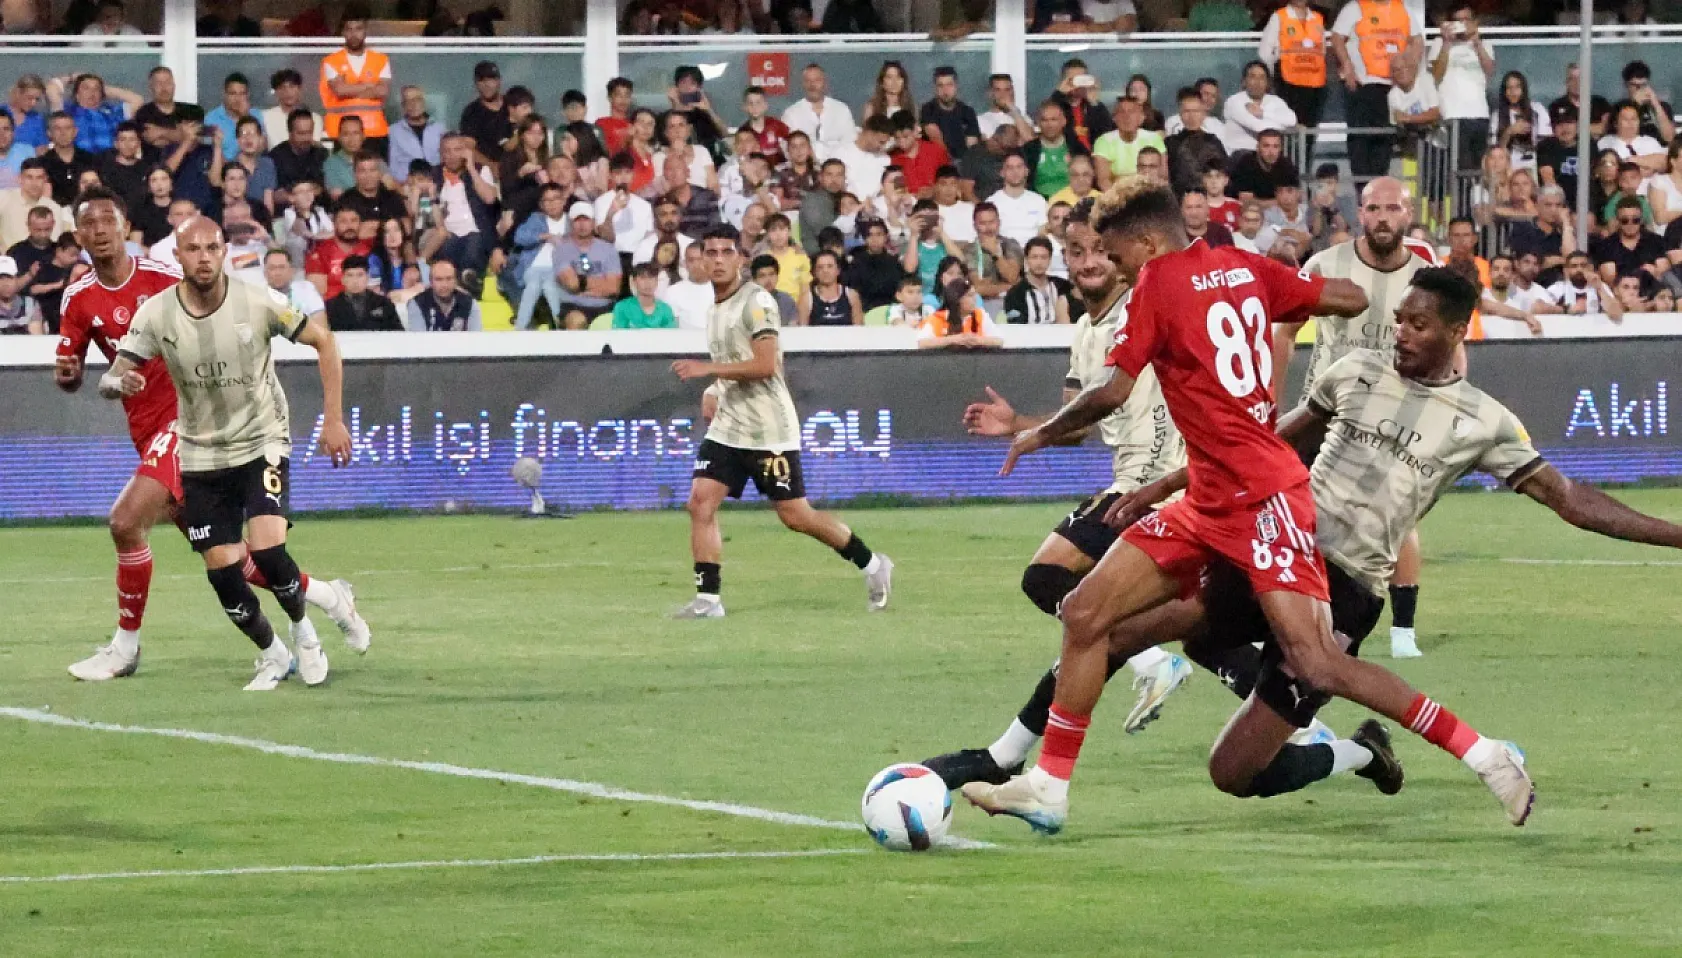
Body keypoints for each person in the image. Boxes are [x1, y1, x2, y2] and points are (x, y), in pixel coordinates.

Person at [964, 181, 1538, 832]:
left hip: (1265, 498)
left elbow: (1113, 391)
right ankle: (1048, 785)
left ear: (1149, 242)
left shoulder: (1158, 282)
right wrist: (1353, 306)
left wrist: (1036, 432)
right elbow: (1339, 295)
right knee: (1084, 611)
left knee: (1317, 660)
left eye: (1118, 254)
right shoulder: (1243, 266)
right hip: (1207, 496)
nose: (1117, 267)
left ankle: (1482, 753)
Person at [96, 215, 355, 690]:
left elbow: (324, 341)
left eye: (212, 248)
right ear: (178, 256)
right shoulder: (155, 313)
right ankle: (274, 653)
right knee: (223, 574)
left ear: (223, 252)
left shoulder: (257, 300)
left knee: (269, 550)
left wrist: (334, 419)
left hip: (261, 439)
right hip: (199, 453)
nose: (203, 257)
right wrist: (118, 383)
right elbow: (111, 376)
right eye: (193, 249)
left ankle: (304, 631)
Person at [671, 224, 893, 618]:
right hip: (728, 425)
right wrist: (715, 391)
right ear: (702, 260)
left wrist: (707, 371)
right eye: (712, 252)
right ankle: (708, 600)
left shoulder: (756, 302)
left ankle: (873, 563)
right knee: (700, 502)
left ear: (740, 258)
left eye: (727, 252)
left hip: (768, 428)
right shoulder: (716, 308)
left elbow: (765, 364)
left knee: (796, 516)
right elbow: (736, 364)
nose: (719, 259)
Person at [1273, 177, 1428, 655]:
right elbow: (1285, 330)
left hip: (1389, 420)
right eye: (1373, 209)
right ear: (1360, 213)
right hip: (1320, 415)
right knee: (1300, 517)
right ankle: (1303, 618)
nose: (1383, 218)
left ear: (1409, 214)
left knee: (1394, 520)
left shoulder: (1424, 276)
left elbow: (1448, 347)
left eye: (1392, 209)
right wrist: (1271, 401)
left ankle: (1402, 633)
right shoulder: (1327, 265)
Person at [1330, 0, 1422, 180]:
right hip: (1363, 85)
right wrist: (1347, 66)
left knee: (1385, 140)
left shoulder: (1404, 9)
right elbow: (1336, 37)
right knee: (1360, 140)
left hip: (1392, 88)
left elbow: (1417, 40)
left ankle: (1379, 186)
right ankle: (1363, 190)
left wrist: (1409, 69)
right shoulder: (1356, 7)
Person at [319, 5, 392, 159]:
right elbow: (339, 90)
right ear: (343, 32)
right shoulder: (332, 61)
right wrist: (369, 85)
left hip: (374, 131)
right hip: (340, 132)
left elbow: (383, 91)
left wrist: (350, 87)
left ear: (365, 31)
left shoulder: (380, 59)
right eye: (349, 29)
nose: (354, 34)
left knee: (377, 177)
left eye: (358, 29)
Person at [1429, 7, 1495, 175]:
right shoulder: (1439, 44)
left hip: (1479, 113)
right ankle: (1462, 201)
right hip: (1454, 114)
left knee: (1477, 166)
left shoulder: (1484, 44)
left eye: (1466, 19)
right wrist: (1446, 43)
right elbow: (1436, 75)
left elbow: (1489, 71)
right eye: (1458, 20)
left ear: (1474, 22)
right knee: (1459, 167)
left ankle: (1474, 200)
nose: (1462, 24)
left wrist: (1477, 42)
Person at [1260, 0, 1328, 159]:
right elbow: (1265, 52)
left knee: (1309, 135)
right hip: (1288, 84)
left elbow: (1322, 50)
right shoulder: (1280, 16)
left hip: (1315, 85)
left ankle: (1303, 178)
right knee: (1289, 134)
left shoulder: (1317, 18)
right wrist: (1271, 78)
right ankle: (1287, 177)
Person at [550, 203, 622, 329]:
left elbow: (613, 288)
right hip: (573, 307)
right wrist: (600, 286)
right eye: (577, 220)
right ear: (571, 223)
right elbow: (572, 284)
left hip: (605, 307)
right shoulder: (561, 250)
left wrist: (582, 282)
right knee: (576, 321)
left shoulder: (609, 250)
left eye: (586, 219)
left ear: (593, 222)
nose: (582, 225)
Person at [1165, 87, 1229, 196]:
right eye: (1187, 111)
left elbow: (1224, 173)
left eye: (1196, 111)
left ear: (1203, 114)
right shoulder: (1171, 143)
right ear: (1180, 114)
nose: (1191, 116)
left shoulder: (1213, 142)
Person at [781, 65, 856, 158]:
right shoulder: (791, 113)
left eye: (817, 80)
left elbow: (850, 141)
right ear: (803, 84)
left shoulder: (841, 110)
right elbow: (785, 147)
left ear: (825, 83)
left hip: (838, 166)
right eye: (808, 81)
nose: (812, 85)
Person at [1224, 62, 1298, 155]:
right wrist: (1284, 127)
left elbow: (1292, 120)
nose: (1257, 82)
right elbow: (1258, 127)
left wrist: (1263, 113)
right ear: (1244, 81)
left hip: (1268, 155)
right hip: (1240, 155)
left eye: (1262, 77)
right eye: (1253, 77)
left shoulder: (1275, 100)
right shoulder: (1234, 101)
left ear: (1267, 83)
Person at [1594, 196, 1670, 287]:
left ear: (1641, 220)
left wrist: (1656, 274)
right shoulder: (1606, 245)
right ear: (1617, 221)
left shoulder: (1656, 241)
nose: (1630, 224)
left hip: (1651, 291)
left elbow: (1665, 273)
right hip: (1620, 294)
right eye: (1624, 220)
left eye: (1635, 220)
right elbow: (1608, 280)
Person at [1091, 97, 1164, 188]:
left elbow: (1162, 176)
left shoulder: (1154, 139)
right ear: (1114, 118)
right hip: (1116, 196)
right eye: (1122, 112)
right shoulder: (1103, 142)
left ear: (1141, 118)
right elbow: (1103, 181)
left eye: (1132, 112)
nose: (1127, 117)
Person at [1001, 235, 1072, 324]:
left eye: (1043, 257)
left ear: (1050, 259)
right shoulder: (1015, 294)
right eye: (1034, 257)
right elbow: (1015, 326)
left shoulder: (1063, 286)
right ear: (1026, 259)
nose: (1039, 262)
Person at [322, 253, 402, 331]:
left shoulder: (383, 303)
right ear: (343, 279)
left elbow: (398, 335)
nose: (355, 281)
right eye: (350, 275)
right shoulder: (330, 307)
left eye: (360, 275)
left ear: (367, 277)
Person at [916, 277, 1002, 349]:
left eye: (974, 294)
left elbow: (999, 340)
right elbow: (922, 343)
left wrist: (978, 340)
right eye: (970, 295)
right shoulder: (938, 318)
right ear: (957, 299)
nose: (975, 299)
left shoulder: (980, 314)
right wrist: (953, 339)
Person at [989, 154, 1050, 247]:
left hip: (1033, 253)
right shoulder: (992, 202)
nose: (1015, 171)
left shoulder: (1038, 200)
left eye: (1019, 167)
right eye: (1010, 167)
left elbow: (1044, 231)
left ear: (1027, 171)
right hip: (1004, 252)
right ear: (1002, 173)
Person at [829, 116, 894, 203]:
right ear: (869, 134)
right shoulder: (840, 153)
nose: (882, 146)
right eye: (881, 142)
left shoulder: (884, 159)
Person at [405, 258, 481, 331]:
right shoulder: (417, 303)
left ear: (455, 281)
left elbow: (475, 338)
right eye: (439, 279)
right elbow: (418, 340)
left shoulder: (470, 303)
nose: (444, 285)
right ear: (430, 282)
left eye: (449, 278)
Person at [1228, 129, 1300, 204]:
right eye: (1266, 146)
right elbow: (1246, 201)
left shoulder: (1286, 165)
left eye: (1275, 146)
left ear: (1281, 148)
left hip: (1279, 212)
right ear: (1258, 148)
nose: (1271, 152)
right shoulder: (1246, 163)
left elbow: (1295, 197)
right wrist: (1280, 202)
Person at [40, 111, 97, 207]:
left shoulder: (90, 160)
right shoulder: (42, 164)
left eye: (68, 128)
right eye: (57, 129)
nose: (63, 133)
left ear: (75, 131)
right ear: (49, 133)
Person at [920, 66, 981, 155]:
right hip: (938, 160)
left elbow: (972, 145)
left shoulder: (967, 111)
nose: (945, 90)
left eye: (949, 85)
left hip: (964, 162)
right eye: (940, 85)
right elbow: (934, 138)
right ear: (935, 89)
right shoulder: (928, 109)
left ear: (956, 86)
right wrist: (949, 162)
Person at [260, 69, 323, 151]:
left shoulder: (315, 118)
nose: (287, 91)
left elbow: (313, 147)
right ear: (276, 92)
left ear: (300, 89)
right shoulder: (265, 117)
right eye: (282, 87)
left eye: (292, 86)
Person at [1547, 250, 1623, 319]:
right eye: (1574, 266)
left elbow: (1617, 314)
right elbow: (1541, 310)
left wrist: (1599, 288)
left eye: (1583, 266)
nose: (1579, 269)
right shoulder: (1557, 288)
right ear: (1566, 270)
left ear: (1590, 268)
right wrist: (1567, 310)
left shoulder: (1600, 286)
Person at [1486, 252, 1560, 315]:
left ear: (1512, 274)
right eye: (1496, 269)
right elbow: (1486, 305)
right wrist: (1524, 316)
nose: (1501, 273)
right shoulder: (1481, 295)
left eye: (1506, 270)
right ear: (1489, 272)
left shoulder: (1522, 299)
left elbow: (1538, 308)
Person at [1620, 60, 1675, 146]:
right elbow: (1622, 137)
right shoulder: (1621, 108)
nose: (1640, 89)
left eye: (1644, 85)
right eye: (1636, 86)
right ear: (1626, 85)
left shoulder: (1663, 107)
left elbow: (1669, 138)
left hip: (1660, 151)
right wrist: (1635, 104)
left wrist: (1656, 104)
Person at [611, 261, 677, 329]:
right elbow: (618, 337)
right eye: (643, 278)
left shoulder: (665, 309)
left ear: (657, 281)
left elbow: (670, 337)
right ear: (634, 281)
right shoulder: (622, 307)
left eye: (651, 278)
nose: (648, 283)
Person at [978, 74, 1036, 144]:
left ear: (1013, 92)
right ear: (990, 93)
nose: (1003, 94)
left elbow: (1030, 141)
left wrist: (1015, 112)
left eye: (1007, 90)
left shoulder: (1023, 119)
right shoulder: (980, 120)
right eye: (998, 90)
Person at [0, 254, 41, 333]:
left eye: (10, 278)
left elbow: (37, 339)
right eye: (1, 279)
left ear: (16, 279)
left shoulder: (30, 304)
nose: (6, 284)